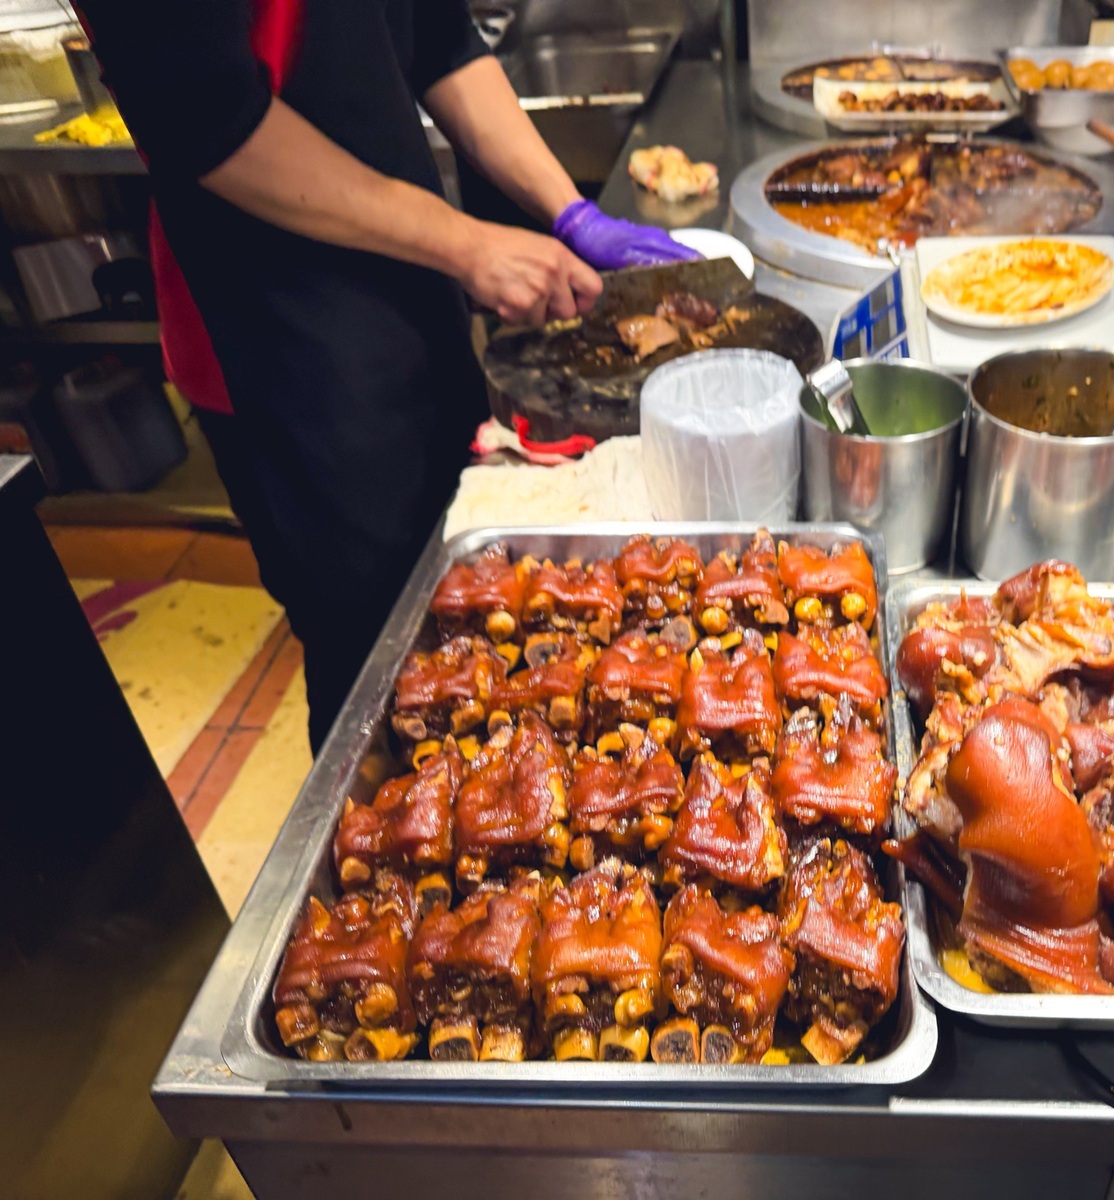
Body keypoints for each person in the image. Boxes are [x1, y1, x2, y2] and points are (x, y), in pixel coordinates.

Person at [74, 0, 695, 749]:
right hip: (278, 346)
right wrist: (467, 245)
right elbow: (207, 122)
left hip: (412, 291)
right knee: (369, 660)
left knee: (469, 611)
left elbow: (440, 38)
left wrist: (569, 211)